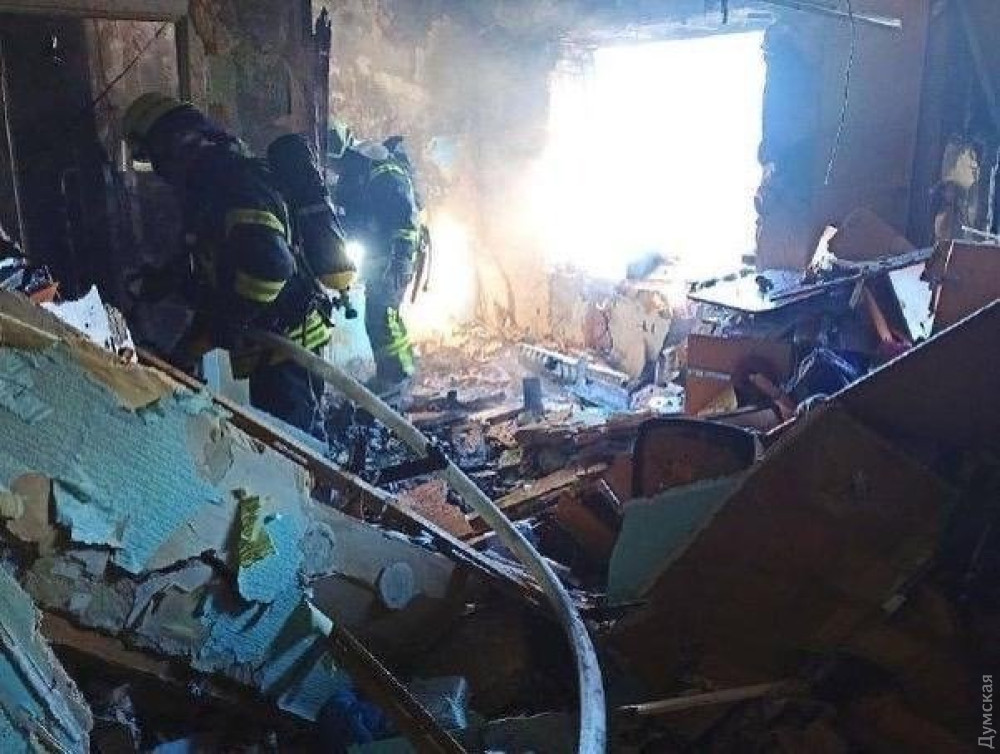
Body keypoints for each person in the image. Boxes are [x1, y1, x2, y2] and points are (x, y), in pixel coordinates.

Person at [122, 93, 355, 439]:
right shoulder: (212, 184)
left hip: (286, 339)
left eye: (151, 158)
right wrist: (168, 281)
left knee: (295, 446)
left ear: (170, 145)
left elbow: (269, 268)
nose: (157, 171)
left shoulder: (231, 185)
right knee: (282, 440)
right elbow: (217, 257)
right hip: (272, 341)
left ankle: (317, 477)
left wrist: (214, 330)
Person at [327, 122, 419, 395]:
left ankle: (396, 379)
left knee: (383, 317)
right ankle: (396, 374)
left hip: (394, 256)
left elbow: (403, 216)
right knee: (379, 318)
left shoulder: (380, 169)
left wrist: (401, 258)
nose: (334, 169)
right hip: (380, 256)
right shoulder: (354, 175)